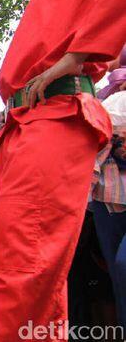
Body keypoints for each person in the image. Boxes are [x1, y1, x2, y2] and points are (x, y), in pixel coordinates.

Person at [0, 0, 126, 341]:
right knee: (37, 274)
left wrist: (76, 56)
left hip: (55, 109)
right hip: (26, 117)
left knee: (23, 264)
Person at [90, 44, 126, 328]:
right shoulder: (102, 102)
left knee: (124, 265)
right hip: (107, 199)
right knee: (116, 272)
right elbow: (93, 151)